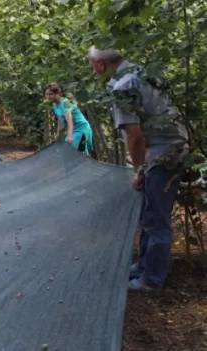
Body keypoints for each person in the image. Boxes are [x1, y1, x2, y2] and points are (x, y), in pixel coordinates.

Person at [88, 46, 189, 291]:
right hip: (175, 145)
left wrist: (140, 169)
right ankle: (144, 265)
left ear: (100, 65)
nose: (91, 69)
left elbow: (135, 137)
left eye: (91, 64)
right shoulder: (144, 72)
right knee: (149, 213)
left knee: (156, 219)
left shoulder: (124, 88)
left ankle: (152, 279)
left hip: (162, 154)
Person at [44, 83, 93, 155]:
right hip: (73, 129)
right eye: (46, 94)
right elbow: (60, 121)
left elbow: (69, 121)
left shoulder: (65, 102)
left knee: (71, 149)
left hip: (82, 128)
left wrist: (70, 136)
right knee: (70, 151)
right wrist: (58, 134)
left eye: (50, 94)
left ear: (57, 93)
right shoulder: (54, 105)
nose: (48, 96)